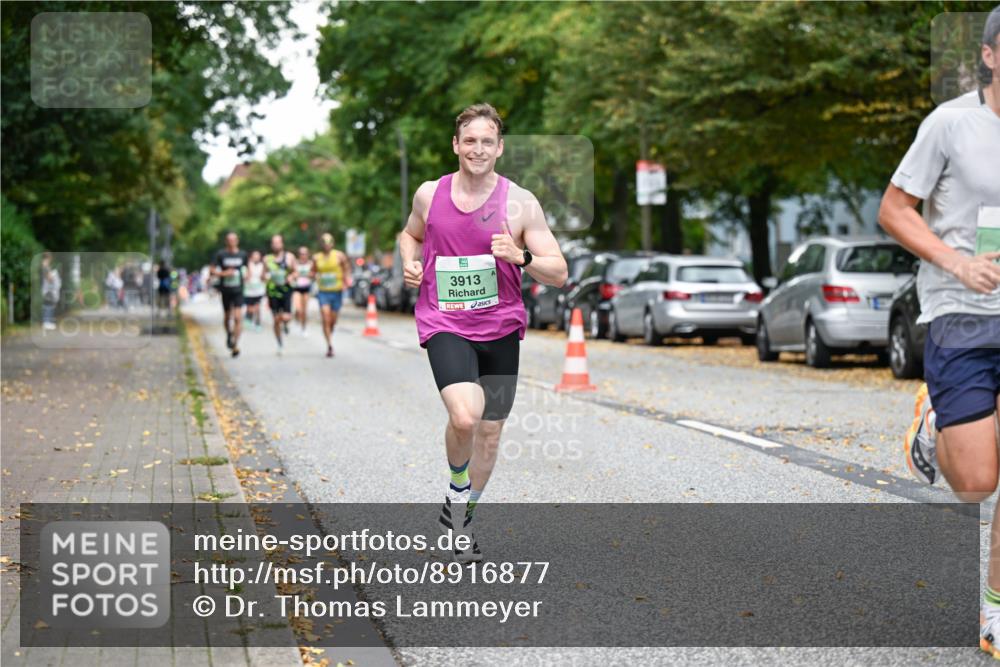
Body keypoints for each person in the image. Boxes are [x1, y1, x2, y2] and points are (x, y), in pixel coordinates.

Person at [878, 6, 1000, 659]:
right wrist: (956, 260)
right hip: (958, 307)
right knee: (978, 482)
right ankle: (935, 425)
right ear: (989, 55)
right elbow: (894, 208)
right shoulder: (951, 124)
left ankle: (994, 613)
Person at [400, 103, 568, 563]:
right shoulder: (429, 195)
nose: (477, 149)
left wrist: (521, 257)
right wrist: (409, 261)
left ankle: (460, 517)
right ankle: (458, 491)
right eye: (469, 140)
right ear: (456, 145)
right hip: (445, 320)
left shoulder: (520, 203)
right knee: (465, 417)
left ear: (499, 148)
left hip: (499, 326)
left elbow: (559, 271)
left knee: (490, 433)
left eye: (486, 141)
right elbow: (410, 235)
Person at [314, 232, 351, 357]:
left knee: (332, 321)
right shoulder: (316, 258)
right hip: (323, 291)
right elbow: (312, 271)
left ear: (332, 244)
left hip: (337, 291)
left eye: (329, 243)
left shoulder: (339, 256)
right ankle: (329, 345)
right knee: (325, 317)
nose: (326, 245)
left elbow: (346, 268)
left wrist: (346, 279)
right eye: (324, 243)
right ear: (321, 245)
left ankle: (329, 331)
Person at [211, 232, 247, 358]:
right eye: (229, 240)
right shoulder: (221, 254)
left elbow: (247, 269)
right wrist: (224, 273)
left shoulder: (242, 254)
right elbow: (212, 269)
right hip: (226, 290)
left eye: (234, 240)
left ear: (237, 241)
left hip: (238, 290)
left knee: (238, 318)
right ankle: (229, 334)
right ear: (226, 241)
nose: (232, 242)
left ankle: (235, 344)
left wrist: (247, 276)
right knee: (227, 317)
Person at [264, 234, 295, 355]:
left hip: (286, 290)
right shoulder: (267, 259)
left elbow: (295, 272)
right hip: (273, 292)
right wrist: (265, 277)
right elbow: (263, 274)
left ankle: (286, 323)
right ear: (271, 245)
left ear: (282, 244)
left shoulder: (289, 257)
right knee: (276, 319)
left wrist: (291, 277)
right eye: (274, 243)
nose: (276, 245)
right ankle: (279, 343)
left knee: (286, 317)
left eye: (278, 242)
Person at [291, 245, 315, 337]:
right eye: (301, 254)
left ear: (308, 254)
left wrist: (311, 275)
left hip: (306, 288)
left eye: (305, 253)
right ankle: (297, 319)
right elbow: (291, 273)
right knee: (298, 309)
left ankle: (303, 328)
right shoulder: (295, 263)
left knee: (304, 311)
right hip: (297, 288)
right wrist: (294, 275)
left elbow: (314, 274)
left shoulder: (311, 263)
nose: (303, 255)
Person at [243, 250, 266, 332]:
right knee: (250, 309)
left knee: (258, 308)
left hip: (259, 291)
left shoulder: (262, 266)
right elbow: (246, 277)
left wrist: (264, 266)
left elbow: (263, 278)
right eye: (254, 256)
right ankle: (248, 317)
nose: (256, 258)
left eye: (258, 256)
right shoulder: (247, 266)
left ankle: (258, 323)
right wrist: (249, 264)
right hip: (249, 291)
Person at [40, 252, 61, 331]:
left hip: (47, 289)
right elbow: (49, 278)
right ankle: (46, 322)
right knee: (48, 305)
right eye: (50, 258)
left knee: (49, 304)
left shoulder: (45, 266)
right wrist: (54, 276)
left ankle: (48, 322)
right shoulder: (45, 267)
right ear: (48, 258)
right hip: (47, 289)